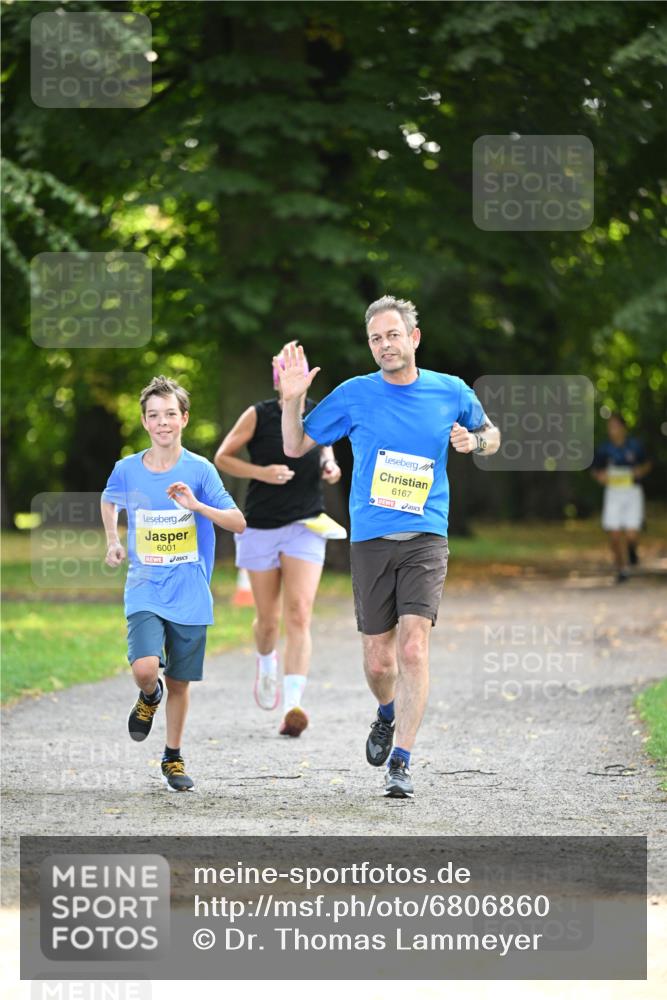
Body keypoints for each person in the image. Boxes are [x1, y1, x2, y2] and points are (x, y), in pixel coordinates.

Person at [275, 295, 500, 799]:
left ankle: (402, 759)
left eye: (393, 335)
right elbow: (295, 447)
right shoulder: (355, 394)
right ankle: (386, 712)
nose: (384, 345)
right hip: (372, 539)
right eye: (376, 338)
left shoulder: (450, 391)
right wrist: (292, 400)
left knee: (414, 648)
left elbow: (493, 435)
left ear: (413, 338)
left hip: (427, 535)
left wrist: (476, 443)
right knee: (380, 663)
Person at [101, 375, 246, 792]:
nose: (162, 422)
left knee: (180, 681)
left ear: (183, 418)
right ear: (144, 422)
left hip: (190, 588)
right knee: (147, 668)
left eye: (170, 414)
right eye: (153, 415)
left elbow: (238, 521)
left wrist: (197, 505)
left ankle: (173, 758)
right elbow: (109, 499)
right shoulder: (127, 469)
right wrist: (114, 539)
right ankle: (149, 695)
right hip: (145, 584)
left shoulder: (200, 470)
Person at [214, 343, 342, 737]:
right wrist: (261, 472)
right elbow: (223, 457)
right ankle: (265, 659)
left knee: (299, 613)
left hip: (305, 525)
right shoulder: (259, 414)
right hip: (260, 527)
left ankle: (293, 706)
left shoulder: (319, 412)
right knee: (268, 621)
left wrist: (330, 466)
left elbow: (326, 453)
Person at [591, 412, 651, 583]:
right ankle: (621, 570)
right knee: (615, 535)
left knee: (631, 533)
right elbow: (596, 470)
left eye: (616, 426)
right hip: (613, 493)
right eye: (610, 427)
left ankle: (632, 550)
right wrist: (600, 477)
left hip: (632, 492)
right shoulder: (604, 449)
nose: (613, 430)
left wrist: (640, 471)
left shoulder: (635, 446)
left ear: (623, 428)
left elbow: (647, 463)